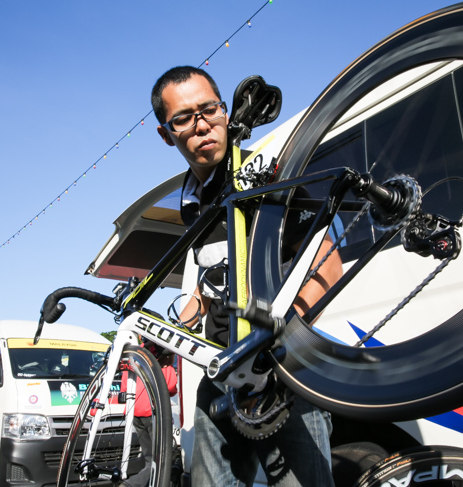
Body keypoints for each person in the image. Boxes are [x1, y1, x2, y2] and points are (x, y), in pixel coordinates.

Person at [151, 66, 341, 486]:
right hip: (219, 369)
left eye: (209, 109)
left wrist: (280, 340)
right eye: (184, 118)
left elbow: (327, 264)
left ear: (224, 109)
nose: (202, 124)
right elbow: (210, 280)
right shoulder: (189, 200)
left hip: (283, 372)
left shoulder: (264, 176)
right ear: (167, 134)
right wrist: (171, 329)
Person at [121, 342, 178, 487]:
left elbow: (125, 386)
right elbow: (171, 386)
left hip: (135, 411)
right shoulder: (162, 353)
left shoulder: (135, 353)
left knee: (149, 459)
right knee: (163, 461)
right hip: (153, 412)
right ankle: (130, 485)